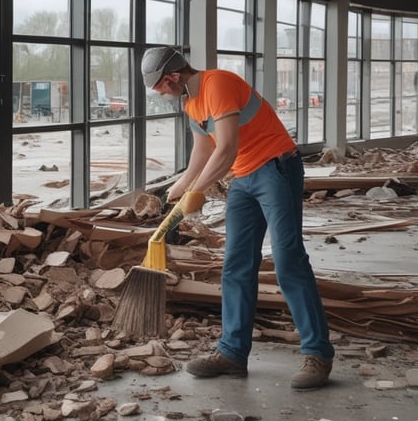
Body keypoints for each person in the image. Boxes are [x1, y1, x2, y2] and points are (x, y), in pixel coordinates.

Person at [141, 45, 335, 389]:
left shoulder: (217, 84)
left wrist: (197, 191)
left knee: (288, 259)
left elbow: (227, 147)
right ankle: (232, 352)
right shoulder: (190, 102)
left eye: (159, 87)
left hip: (276, 167)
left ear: (172, 77)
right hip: (244, 178)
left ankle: (318, 353)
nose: (159, 94)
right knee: (236, 263)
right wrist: (180, 186)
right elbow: (204, 150)